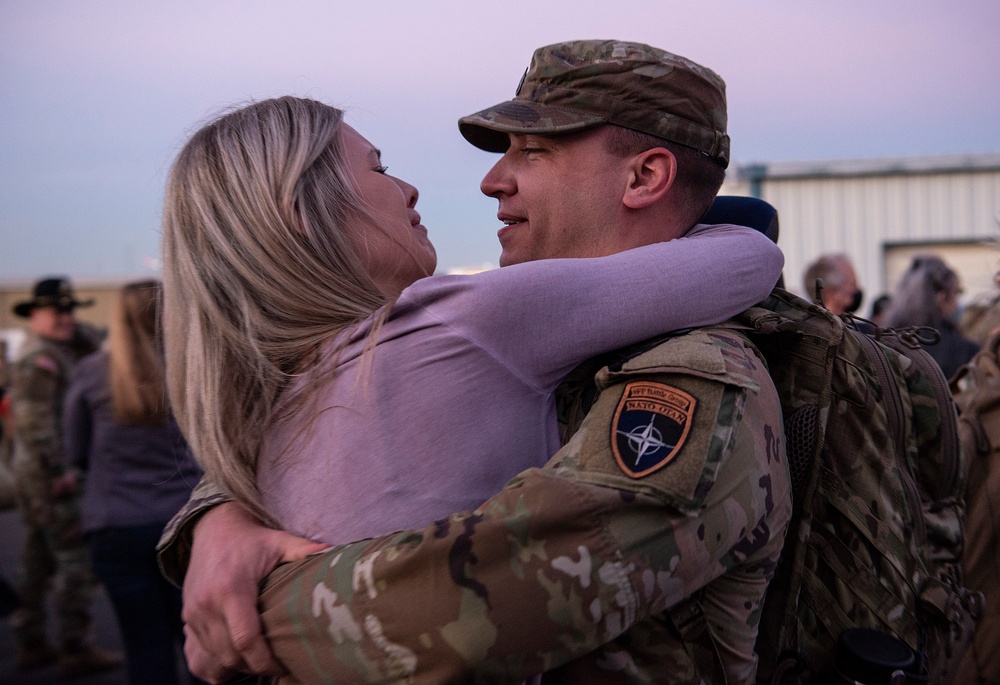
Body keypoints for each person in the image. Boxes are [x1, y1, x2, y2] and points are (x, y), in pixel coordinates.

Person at [160, 40, 791, 685]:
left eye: (534, 151)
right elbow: (750, 256)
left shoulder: (693, 375)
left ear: (643, 178)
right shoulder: (453, 327)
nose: (488, 181)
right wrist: (221, 520)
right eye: (379, 170)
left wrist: (255, 598)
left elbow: (483, 607)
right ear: (303, 215)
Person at [61, 280, 206, 685]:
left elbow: (75, 451)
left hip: (115, 523)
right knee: (201, 643)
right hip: (184, 522)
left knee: (144, 646)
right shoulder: (192, 366)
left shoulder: (90, 374)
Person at [7, 277, 122, 676]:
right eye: (56, 311)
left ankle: (33, 642)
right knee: (75, 560)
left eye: (70, 309)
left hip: (39, 474)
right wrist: (61, 472)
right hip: (51, 475)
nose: (65, 318)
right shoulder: (38, 359)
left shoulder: (63, 349)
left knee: (36, 561)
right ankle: (76, 646)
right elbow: (34, 423)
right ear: (35, 315)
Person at [883, 254, 979, 380]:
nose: (957, 305)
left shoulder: (885, 341)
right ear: (942, 297)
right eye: (955, 293)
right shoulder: (964, 350)